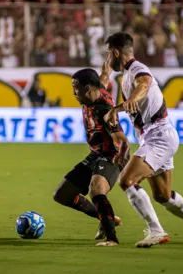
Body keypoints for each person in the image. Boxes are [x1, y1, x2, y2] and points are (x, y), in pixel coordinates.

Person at [103, 32, 183, 248]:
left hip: (158, 136)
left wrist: (132, 98)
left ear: (115, 52)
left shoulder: (136, 69)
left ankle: (156, 230)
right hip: (155, 136)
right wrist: (120, 108)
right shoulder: (125, 76)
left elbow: (145, 83)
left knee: (126, 181)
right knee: (162, 195)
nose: (107, 59)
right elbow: (134, 101)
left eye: (107, 54)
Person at [53, 68, 130, 247]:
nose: (73, 93)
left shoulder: (104, 109)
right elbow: (102, 79)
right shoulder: (94, 91)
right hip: (96, 154)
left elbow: (123, 141)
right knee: (62, 195)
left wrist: (122, 161)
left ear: (87, 89)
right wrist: (107, 70)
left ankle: (112, 238)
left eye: (75, 88)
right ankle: (106, 218)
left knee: (96, 189)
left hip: (111, 155)